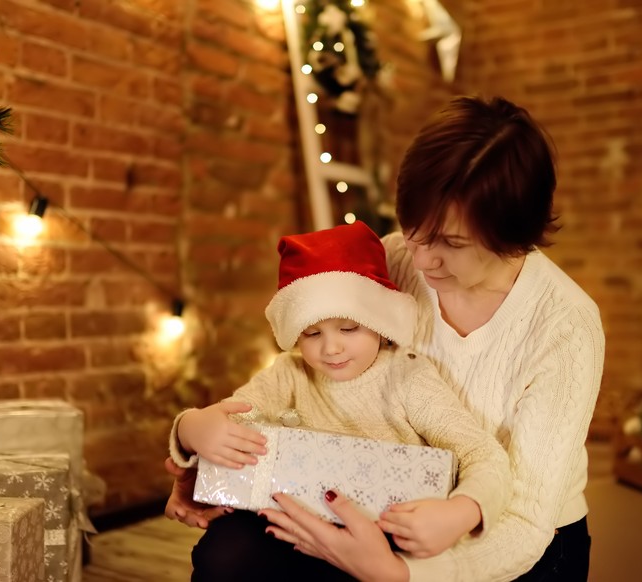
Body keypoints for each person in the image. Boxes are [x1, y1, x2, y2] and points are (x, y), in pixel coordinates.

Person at [167, 94, 605, 581]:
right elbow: (292, 387)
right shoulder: (391, 259)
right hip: (376, 502)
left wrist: (401, 574)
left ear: (511, 236)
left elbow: (525, 520)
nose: (419, 260)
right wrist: (210, 465)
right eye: (413, 230)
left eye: (450, 244)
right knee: (225, 557)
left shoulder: (566, 324)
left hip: (512, 536)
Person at [167, 220, 512, 581]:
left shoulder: (408, 377)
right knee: (219, 554)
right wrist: (190, 428)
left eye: (349, 328)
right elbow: (233, 420)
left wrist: (462, 510)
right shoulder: (289, 372)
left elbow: (483, 455)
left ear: (378, 322)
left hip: (373, 539)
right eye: (312, 333)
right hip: (288, 524)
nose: (331, 348)